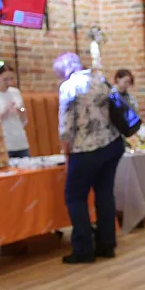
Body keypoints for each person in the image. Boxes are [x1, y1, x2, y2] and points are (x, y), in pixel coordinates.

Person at [54, 52, 124, 264]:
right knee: (104, 194)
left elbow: (66, 127)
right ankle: (107, 244)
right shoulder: (100, 80)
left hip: (85, 149)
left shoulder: (69, 87)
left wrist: (66, 153)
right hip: (112, 144)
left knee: (75, 197)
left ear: (64, 71)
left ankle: (83, 249)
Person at [0, 64, 30, 158]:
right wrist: (5, 111)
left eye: (11, 78)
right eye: (5, 79)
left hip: (20, 139)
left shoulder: (15, 92)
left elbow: (24, 120)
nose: (9, 82)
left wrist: (21, 111)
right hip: (4, 141)